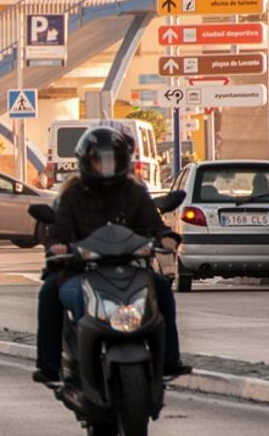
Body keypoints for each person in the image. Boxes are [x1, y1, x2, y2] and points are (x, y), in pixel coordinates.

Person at [33, 126, 191, 387]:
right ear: (86, 162)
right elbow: (59, 229)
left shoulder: (134, 192)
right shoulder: (73, 194)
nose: (106, 166)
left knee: (162, 288)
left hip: (130, 268)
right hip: (81, 270)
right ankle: (49, 366)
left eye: (112, 159)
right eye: (99, 160)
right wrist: (58, 245)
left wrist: (165, 237)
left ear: (122, 161)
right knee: (50, 291)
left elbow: (153, 223)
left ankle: (169, 360)